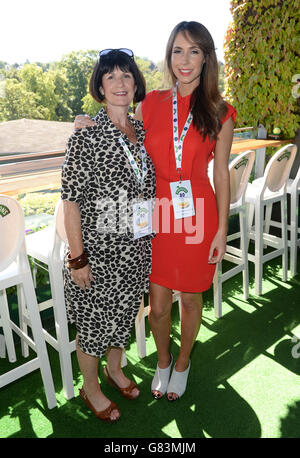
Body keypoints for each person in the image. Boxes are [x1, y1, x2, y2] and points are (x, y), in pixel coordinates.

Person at [75, 21, 236, 402]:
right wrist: (86, 123)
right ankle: (162, 360)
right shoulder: (151, 104)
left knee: (192, 298)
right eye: (177, 50)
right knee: (159, 304)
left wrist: (221, 230)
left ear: (206, 58)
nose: (185, 60)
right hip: (157, 214)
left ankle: (182, 362)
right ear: (169, 56)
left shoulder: (221, 111)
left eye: (194, 51)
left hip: (198, 213)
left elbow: (222, 174)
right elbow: (122, 131)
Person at [61, 48, 156, 422]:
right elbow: (70, 202)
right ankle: (91, 388)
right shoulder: (85, 137)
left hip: (135, 252)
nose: (120, 82)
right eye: (111, 76)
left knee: (124, 318)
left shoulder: (140, 131)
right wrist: (77, 257)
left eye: (127, 75)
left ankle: (114, 370)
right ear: (100, 86)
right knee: (94, 328)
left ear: (136, 83)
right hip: (97, 257)